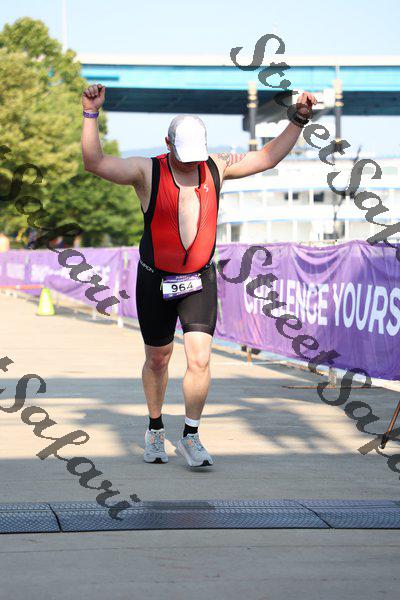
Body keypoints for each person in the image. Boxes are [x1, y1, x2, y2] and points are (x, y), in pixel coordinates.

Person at [81, 83, 317, 468]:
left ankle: (190, 434)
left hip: (199, 280)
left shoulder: (216, 166)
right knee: (158, 359)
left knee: (200, 359)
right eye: (183, 157)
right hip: (155, 279)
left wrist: (299, 119)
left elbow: (267, 157)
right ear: (168, 145)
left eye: (196, 157)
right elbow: (95, 162)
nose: (191, 164)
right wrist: (90, 114)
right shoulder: (146, 171)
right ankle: (155, 427)